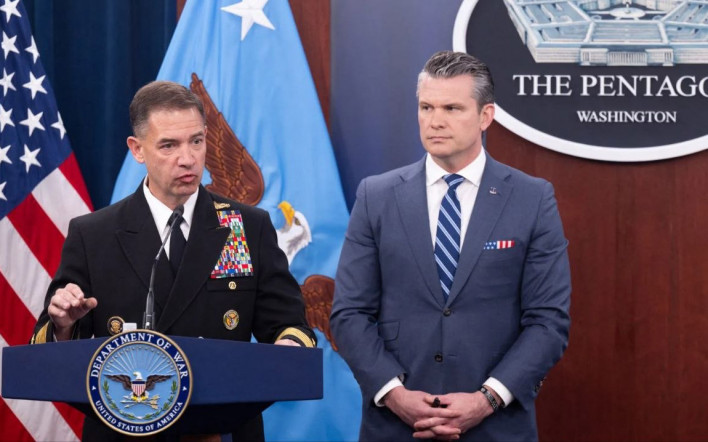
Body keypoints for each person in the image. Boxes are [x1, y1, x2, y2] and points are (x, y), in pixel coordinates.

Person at [30, 81, 316, 441]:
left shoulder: (245, 227)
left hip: (221, 429)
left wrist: (288, 349)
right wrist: (63, 325)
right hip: (126, 428)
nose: (188, 158)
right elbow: (52, 346)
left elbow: (289, 324)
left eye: (196, 141)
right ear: (137, 149)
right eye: (169, 145)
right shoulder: (94, 234)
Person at [330, 51, 571, 441]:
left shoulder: (532, 199)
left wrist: (486, 400)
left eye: (452, 108)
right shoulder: (376, 196)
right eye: (426, 107)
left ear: (485, 116)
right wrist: (395, 396)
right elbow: (349, 314)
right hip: (396, 427)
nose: (435, 121)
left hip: (496, 426)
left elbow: (548, 322)